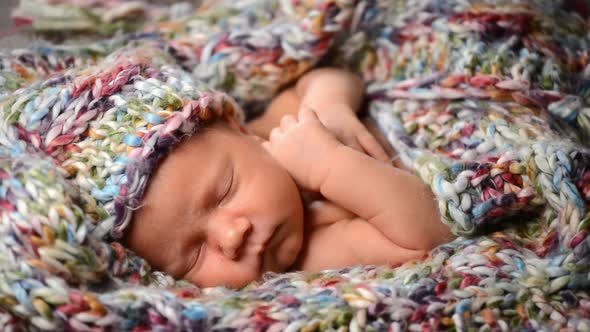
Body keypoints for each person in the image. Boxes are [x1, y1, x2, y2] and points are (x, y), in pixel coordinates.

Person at [122, 68, 455, 288]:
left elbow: (332, 75)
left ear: (240, 131)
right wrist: (329, 166)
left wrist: (328, 107)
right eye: (193, 256)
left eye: (224, 192)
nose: (232, 235)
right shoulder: (310, 248)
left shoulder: (273, 129)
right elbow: (430, 234)